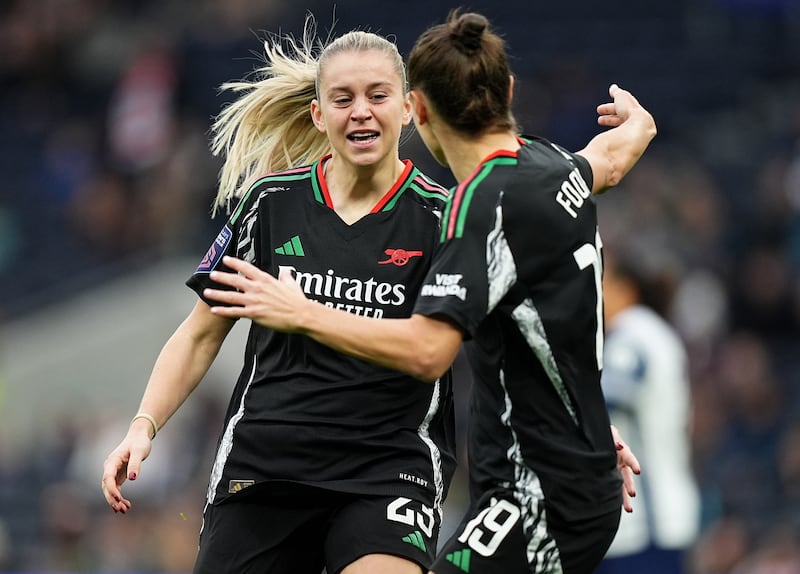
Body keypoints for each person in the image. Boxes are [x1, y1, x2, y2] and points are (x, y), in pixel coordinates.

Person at [202, 10, 655, 574]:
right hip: (562, 472)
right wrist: (639, 122)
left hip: (537, 494)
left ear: (415, 109)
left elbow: (427, 351)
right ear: (507, 91)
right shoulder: (552, 165)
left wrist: (300, 312)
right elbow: (615, 153)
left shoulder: (474, 210)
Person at [100, 23, 461, 574]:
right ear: (319, 114)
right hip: (266, 465)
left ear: (409, 108)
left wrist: (588, 424)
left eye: (377, 95)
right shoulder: (270, 204)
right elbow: (200, 332)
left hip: (388, 468)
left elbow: (499, 338)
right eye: (342, 99)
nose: (360, 111)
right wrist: (143, 426)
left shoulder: (444, 219)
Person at [594, 247, 700, 574]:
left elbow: (600, 404)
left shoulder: (633, 334)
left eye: (602, 281)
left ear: (626, 288)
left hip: (643, 525)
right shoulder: (654, 333)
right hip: (663, 516)